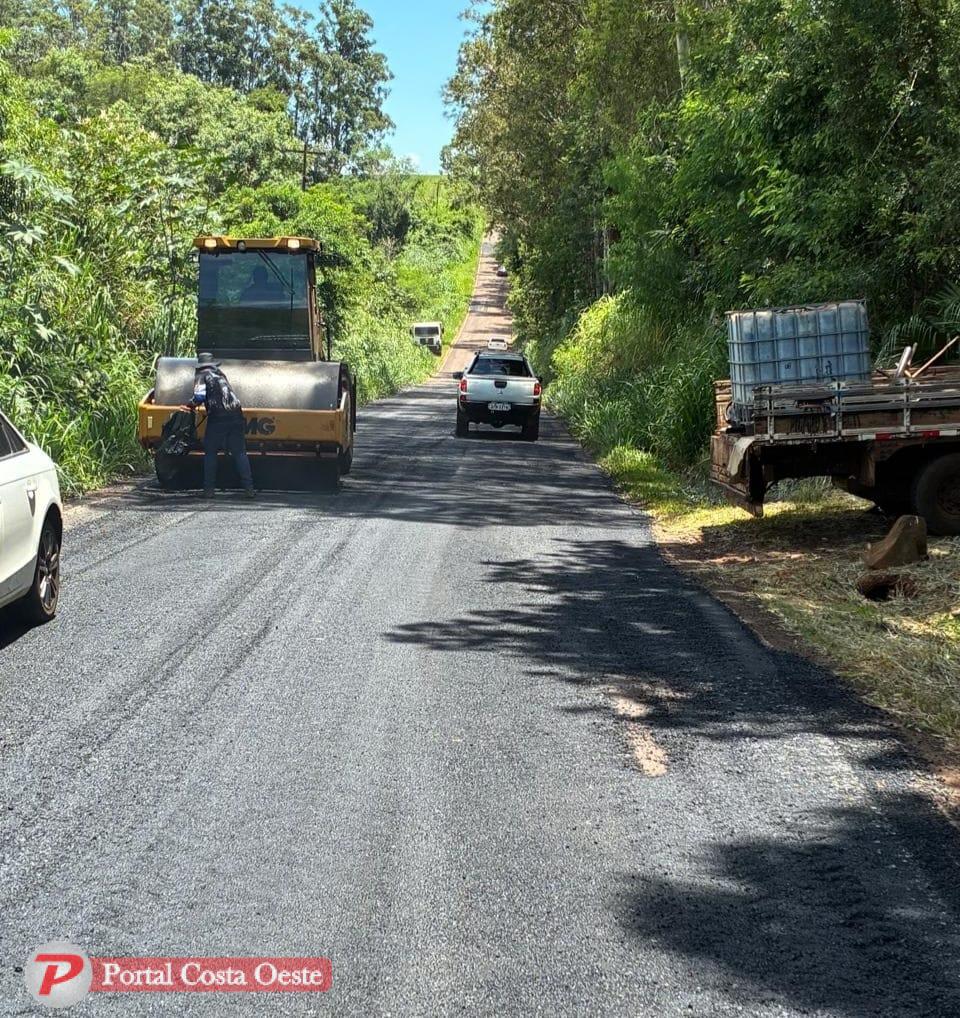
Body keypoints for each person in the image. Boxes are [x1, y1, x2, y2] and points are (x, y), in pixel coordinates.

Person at [183, 353, 255, 499]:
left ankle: (209, 489)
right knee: (240, 452)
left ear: (200, 366)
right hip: (236, 414)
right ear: (213, 365)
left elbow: (199, 397)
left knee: (210, 452)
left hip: (218, 417)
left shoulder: (202, 376)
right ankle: (249, 488)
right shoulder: (221, 375)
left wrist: (189, 405)